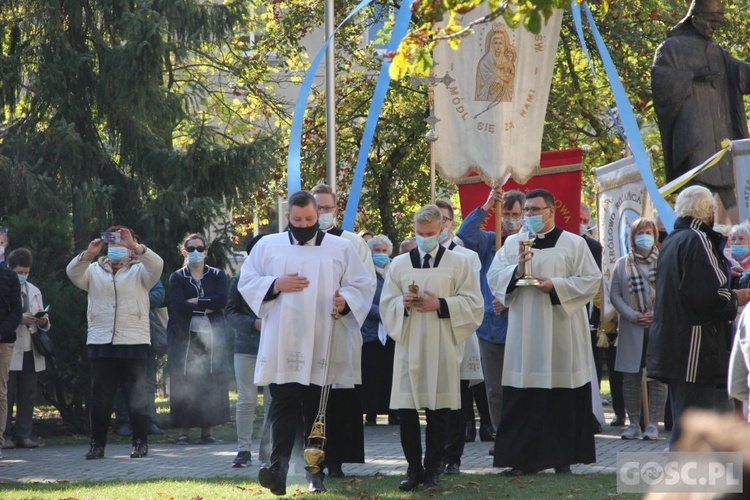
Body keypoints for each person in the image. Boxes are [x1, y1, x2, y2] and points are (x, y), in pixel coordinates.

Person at [238, 190, 373, 496]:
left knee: (318, 409)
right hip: (282, 341)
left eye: (310, 219)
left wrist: (346, 300)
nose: (304, 224)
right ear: (288, 217)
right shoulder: (268, 245)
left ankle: (315, 472)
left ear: (318, 216)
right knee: (283, 406)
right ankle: (279, 469)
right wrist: (275, 284)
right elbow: (246, 281)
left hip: (322, 337)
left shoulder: (340, 247)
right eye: (297, 220)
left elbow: (361, 285)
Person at [487, 188, 600, 475]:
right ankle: (522, 461)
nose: (530, 216)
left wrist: (557, 286)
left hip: (560, 329)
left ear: (551, 211)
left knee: (560, 396)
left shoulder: (574, 243)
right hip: (525, 332)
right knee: (524, 396)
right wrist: (517, 270)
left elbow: (591, 280)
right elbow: (494, 276)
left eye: (535, 210)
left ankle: (562, 459)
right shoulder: (514, 243)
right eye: (527, 211)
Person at [380, 204, 483, 492]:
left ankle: (433, 470)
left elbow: (475, 304)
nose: (424, 238)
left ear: (442, 230)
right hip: (409, 343)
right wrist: (402, 304)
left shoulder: (459, 263)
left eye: (430, 233)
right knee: (407, 411)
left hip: (441, 344)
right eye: (419, 233)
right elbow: (386, 303)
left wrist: (441, 304)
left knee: (439, 412)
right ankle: (414, 469)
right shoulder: (399, 264)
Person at [647, 186, 750, 448]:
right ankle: (695, 484)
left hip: (676, 344)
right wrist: (736, 296)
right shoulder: (698, 239)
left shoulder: (673, 239)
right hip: (697, 348)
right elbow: (708, 295)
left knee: (688, 421)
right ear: (707, 211)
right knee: (702, 427)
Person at [66, 225, 163, 460]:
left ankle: (140, 442)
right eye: (113, 244)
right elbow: (72, 273)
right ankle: (96, 444)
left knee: (136, 397)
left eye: (122, 244)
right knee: (100, 398)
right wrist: (87, 254)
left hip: (134, 341)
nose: (117, 249)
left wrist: (135, 247)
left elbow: (157, 264)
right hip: (101, 341)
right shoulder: (94, 271)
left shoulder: (141, 271)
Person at [651, 0, 750, 215]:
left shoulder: (716, 50)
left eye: (718, 21)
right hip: (694, 140)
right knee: (697, 199)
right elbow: (660, 82)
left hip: (722, 142)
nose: (714, 26)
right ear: (695, 19)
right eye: (711, 20)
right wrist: (692, 76)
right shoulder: (672, 47)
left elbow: (740, 73)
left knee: (731, 208)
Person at [310, 183, 375, 478]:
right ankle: (312, 458)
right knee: (310, 396)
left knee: (339, 397)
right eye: (317, 208)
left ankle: (335, 460)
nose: (322, 213)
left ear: (336, 209)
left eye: (327, 208)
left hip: (340, 328)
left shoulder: (352, 242)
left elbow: (366, 282)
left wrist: (346, 302)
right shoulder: (301, 242)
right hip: (309, 330)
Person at [455, 187, 525, 453]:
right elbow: (464, 236)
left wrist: (508, 298)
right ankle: (502, 436)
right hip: (490, 328)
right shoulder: (488, 241)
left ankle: (522, 435)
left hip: (519, 324)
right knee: (495, 390)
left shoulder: (528, 243)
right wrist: (486, 207)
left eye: (516, 214)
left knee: (520, 385)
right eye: (506, 213)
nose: (511, 218)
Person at [433, 200, 484, 476]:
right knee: (435, 396)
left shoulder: (467, 257)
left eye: (444, 219)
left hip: (459, 331)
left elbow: (470, 296)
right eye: (434, 218)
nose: (439, 224)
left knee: (459, 399)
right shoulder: (420, 256)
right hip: (430, 334)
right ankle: (435, 454)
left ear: (451, 223)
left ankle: (453, 456)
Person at [167, 233, 230, 445]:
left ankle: (208, 432)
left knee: (209, 380)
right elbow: (179, 305)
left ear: (206, 251)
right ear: (184, 252)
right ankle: (183, 432)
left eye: (200, 248)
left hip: (211, 337)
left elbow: (222, 300)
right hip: (185, 337)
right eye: (191, 249)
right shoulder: (177, 277)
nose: (196, 252)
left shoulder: (217, 275)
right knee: (185, 380)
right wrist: (206, 305)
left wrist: (196, 301)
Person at [610, 218, 668, 440]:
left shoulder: (664, 261)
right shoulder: (622, 264)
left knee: (657, 377)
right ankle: (633, 422)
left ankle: (653, 422)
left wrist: (656, 314)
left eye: (648, 231)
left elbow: (671, 291)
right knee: (630, 377)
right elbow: (615, 294)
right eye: (639, 232)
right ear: (632, 236)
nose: (644, 235)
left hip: (657, 326)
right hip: (631, 327)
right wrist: (633, 315)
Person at [3, 249, 49, 449]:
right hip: (11, 347)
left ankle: (24, 434)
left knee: (28, 393)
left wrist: (43, 320)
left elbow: (46, 323)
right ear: (10, 269)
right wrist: (19, 318)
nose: (23, 276)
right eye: (20, 271)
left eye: (26, 272)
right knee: (7, 393)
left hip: (31, 347)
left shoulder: (34, 290)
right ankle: (4, 434)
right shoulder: (6, 286)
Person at [227, 234, 265, 468]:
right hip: (246, 347)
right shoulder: (239, 280)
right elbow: (230, 313)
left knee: (274, 401)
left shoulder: (278, 279)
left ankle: (270, 447)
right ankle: (243, 450)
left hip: (274, 348)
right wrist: (253, 324)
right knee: (246, 400)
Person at [113, 279, 166, 437]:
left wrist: (135, 297)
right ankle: (123, 422)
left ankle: (148, 420)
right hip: (120, 331)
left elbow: (159, 295)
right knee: (122, 380)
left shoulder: (147, 270)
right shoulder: (114, 270)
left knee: (148, 379)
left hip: (144, 331)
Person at [361, 234, 398, 427]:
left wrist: (392, 312)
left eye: (384, 251)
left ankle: (393, 412)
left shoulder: (396, 270)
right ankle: (371, 413)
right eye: (377, 251)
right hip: (370, 331)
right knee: (371, 374)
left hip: (393, 330)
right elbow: (362, 300)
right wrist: (383, 313)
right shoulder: (364, 272)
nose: (381, 254)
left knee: (390, 374)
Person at [0, 246, 22, 457]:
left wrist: (2, 332)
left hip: (3, 342)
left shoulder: (9, 277)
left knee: (0, 392)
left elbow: (16, 310)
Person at [474, 22, 516, 102]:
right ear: (491, 44)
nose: (498, 46)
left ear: (504, 45)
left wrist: (503, 82)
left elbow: (510, 81)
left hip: (502, 98)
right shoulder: (484, 62)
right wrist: (496, 79)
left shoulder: (507, 62)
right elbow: (481, 86)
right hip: (489, 95)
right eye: (495, 43)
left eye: (501, 43)